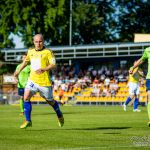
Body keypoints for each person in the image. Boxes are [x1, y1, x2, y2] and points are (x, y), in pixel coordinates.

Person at [14, 34, 64, 129]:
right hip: (32, 80)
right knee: (26, 97)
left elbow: (53, 64)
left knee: (51, 102)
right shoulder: (30, 51)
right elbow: (25, 62)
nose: (38, 43)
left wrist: (44, 69)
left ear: (43, 41)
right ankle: (28, 120)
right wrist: (18, 71)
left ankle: (59, 114)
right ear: (33, 42)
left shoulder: (48, 52)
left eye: (40, 41)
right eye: (36, 42)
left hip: (44, 83)